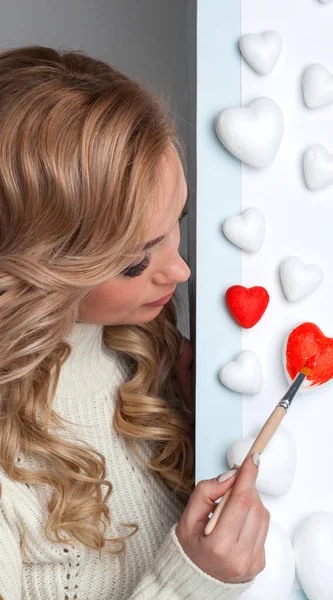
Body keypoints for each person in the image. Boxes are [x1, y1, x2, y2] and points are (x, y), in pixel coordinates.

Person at [0, 45, 270, 600]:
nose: (181, 268)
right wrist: (189, 585)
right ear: (39, 265)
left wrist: (205, 423)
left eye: (179, 221)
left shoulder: (146, 353)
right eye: (134, 261)